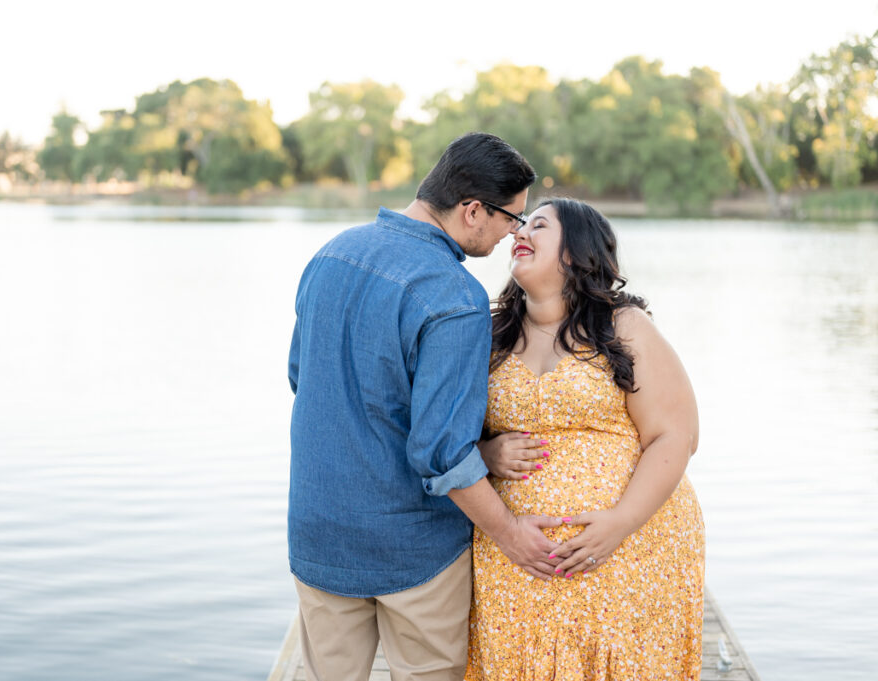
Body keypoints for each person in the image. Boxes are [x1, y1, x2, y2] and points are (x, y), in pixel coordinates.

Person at [287, 133, 561, 681]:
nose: (514, 234)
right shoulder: (453, 297)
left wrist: (477, 447)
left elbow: (303, 377)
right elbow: (440, 453)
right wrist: (511, 535)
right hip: (412, 549)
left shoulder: (330, 253)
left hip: (319, 530)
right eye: (512, 218)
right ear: (473, 210)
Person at [466, 198, 705, 680]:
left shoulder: (624, 327)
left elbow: (676, 435)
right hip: (515, 551)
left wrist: (618, 523)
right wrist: (488, 454)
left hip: (629, 546)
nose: (519, 233)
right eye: (519, 226)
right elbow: (449, 437)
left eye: (538, 225)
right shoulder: (488, 334)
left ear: (575, 252)